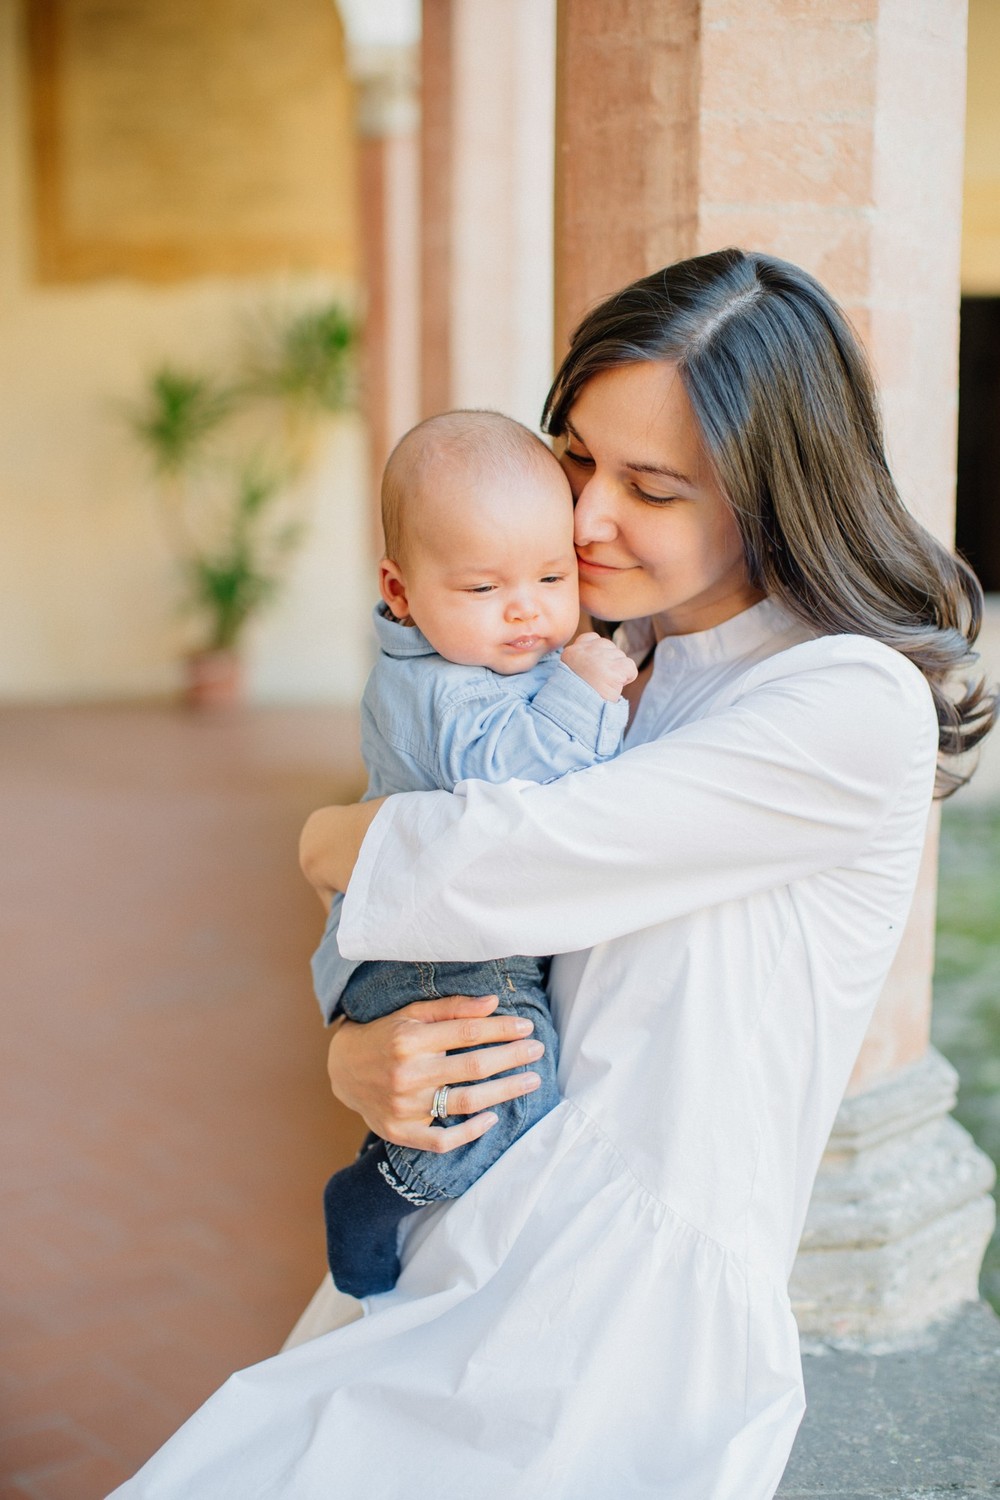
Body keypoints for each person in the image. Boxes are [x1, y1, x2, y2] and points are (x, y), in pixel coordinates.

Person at [111, 249, 994, 1500]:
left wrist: (323, 843)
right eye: (576, 456)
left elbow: (493, 859)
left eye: (650, 486)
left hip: (608, 1323)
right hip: (467, 1231)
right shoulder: (590, 655)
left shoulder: (842, 703)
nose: (582, 518)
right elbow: (453, 892)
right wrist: (359, 1048)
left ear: (772, 493)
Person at [315, 408, 636, 1298]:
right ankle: (380, 1193)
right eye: (485, 589)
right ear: (403, 589)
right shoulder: (440, 688)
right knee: (510, 1081)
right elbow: (510, 790)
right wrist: (581, 690)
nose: (528, 608)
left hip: (442, 936)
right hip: (430, 955)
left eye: (550, 573)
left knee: (498, 1081)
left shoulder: (480, 653)